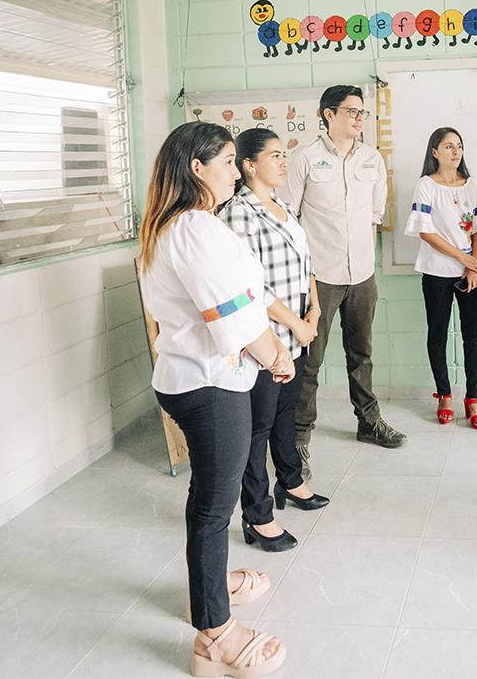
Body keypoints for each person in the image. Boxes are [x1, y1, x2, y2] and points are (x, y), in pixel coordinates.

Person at [138, 121, 296, 677]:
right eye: (227, 161)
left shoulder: (182, 224)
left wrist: (271, 343)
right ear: (196, 168)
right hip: (206, 383)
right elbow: (231, 313)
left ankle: (208, 587)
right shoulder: (192, 228)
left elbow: (243, 298)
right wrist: (275, 356)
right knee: (212, 506)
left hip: (200, 376)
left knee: (210, 498)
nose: (236, 171)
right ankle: (215, 634)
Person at [221, 128, 331, 556]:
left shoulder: (284, 206)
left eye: (285, 155)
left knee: (287, 412)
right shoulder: (238, 214)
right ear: (248, 165)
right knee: (258, 427)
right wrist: (296, 325)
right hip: (266, 341)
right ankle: (257, 514)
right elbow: (251, 287)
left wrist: (314, 311)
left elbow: (307, 265)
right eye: (274, 156)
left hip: (298, 331)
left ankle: (291, 481)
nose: (284, 162)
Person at [286, 85, 405, 479]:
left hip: (362, 276)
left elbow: (374, 213)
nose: (358, 118)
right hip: (319, 278)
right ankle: (298, 438)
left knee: (362, 355)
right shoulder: (304, 158)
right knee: (310, 362)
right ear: (328, 114)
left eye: (362, 113)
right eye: (351, 111)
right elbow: (288, 218)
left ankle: (369, 423)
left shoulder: (372, 159)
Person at [404, 127, 477, 428]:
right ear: (435, 152)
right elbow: (425, 232)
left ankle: (473, 398)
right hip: (436, 271)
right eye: (449, 146)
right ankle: (445, 395)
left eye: (459, 146)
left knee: (472, 337)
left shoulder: (471, 185)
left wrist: (472, 266)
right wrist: (462, 258)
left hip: (470, 272)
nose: (455, 151)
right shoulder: (425, 185)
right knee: (437, 335)